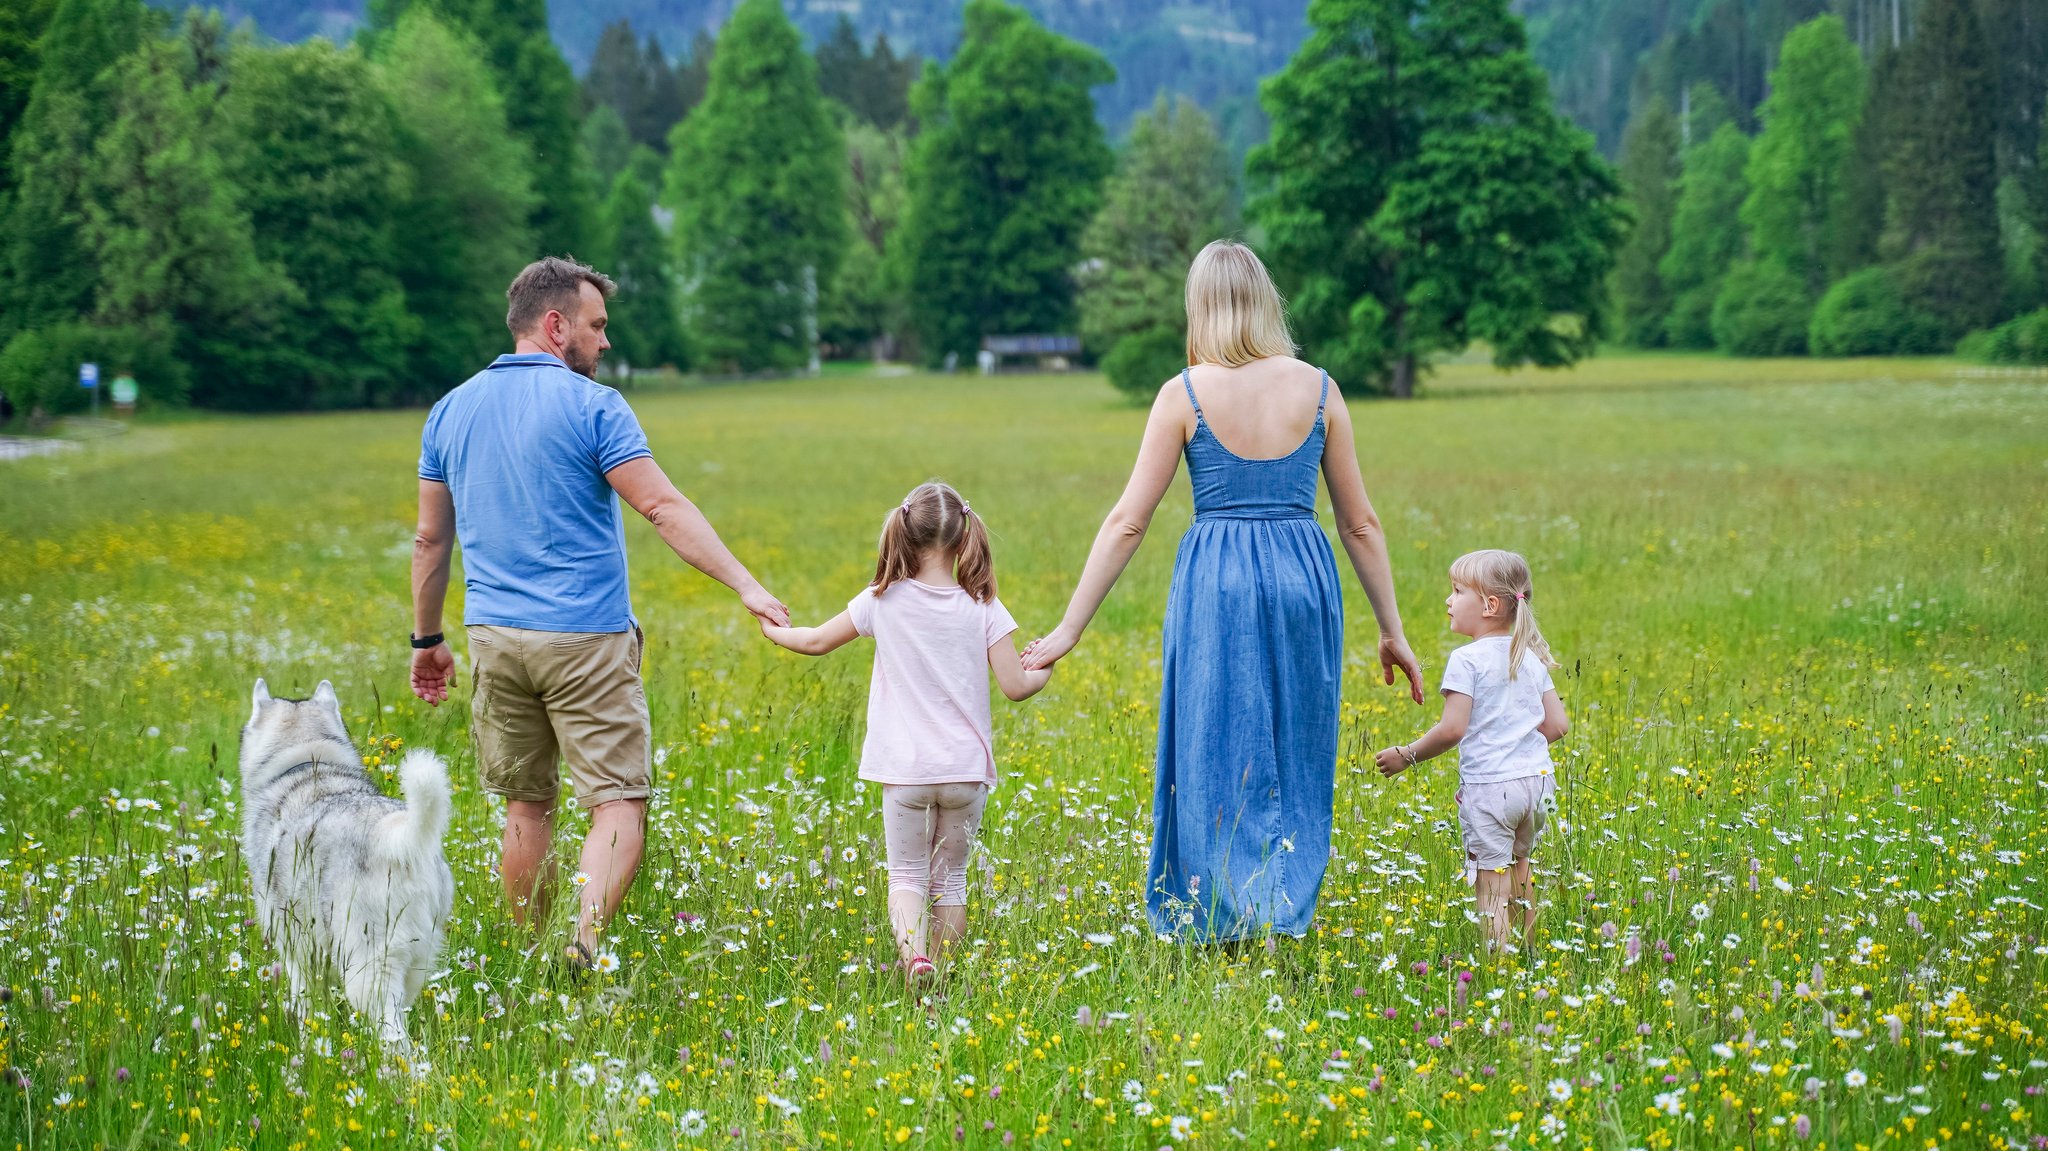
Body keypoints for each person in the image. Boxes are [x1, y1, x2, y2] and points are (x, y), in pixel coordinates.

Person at [1022, 239, 1424, 943]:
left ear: (1200, 306)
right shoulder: (1320, 388)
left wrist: (1069, 629)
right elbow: (1359, 523)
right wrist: (1392, 628)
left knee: (1210, 740)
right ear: (1266, 301)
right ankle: (1280, 902)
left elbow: (1127, 522)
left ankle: (1218, 909)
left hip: (1217, 580)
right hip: (1304, 575)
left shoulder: (1183, 393)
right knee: (1296, 742)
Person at [408, 255, 789, 969]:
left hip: (494, 638)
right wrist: (745, 584)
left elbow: (431, 538)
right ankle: (581, 944)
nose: (605, 342)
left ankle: (527, 957)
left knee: (526, 807)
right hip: (584, 637)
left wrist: (426, 637)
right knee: (617, 801)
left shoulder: (449, 410)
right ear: (556, 326)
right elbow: (662, 506)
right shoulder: (595, 407)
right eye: (596, 325)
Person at [759, 481, 1050, 989]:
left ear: (904, 535)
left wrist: (771, 629)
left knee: (907, 878)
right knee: (951, 882)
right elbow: (1017, 686)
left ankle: (917, 963)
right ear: (964, 538)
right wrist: (1048, 661)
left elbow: (813, 642)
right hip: (965, 773)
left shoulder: (880, 601)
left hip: (906, 772)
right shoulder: (984, 606)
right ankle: (941, 978)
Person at [1374, 549, 1568, 955]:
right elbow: (1557, 726)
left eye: (1458, 591)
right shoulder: (1528, 656)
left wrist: (1406, 755)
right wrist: (1517, 744)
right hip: (1536, 784)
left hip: (1490, 789)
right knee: (1520, 871)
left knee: (1491, 887)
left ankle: (1500, 967)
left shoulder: (1466, 660)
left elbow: (1452, 729)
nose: (1449, 600)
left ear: (1490, 605)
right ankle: (1528, 955)